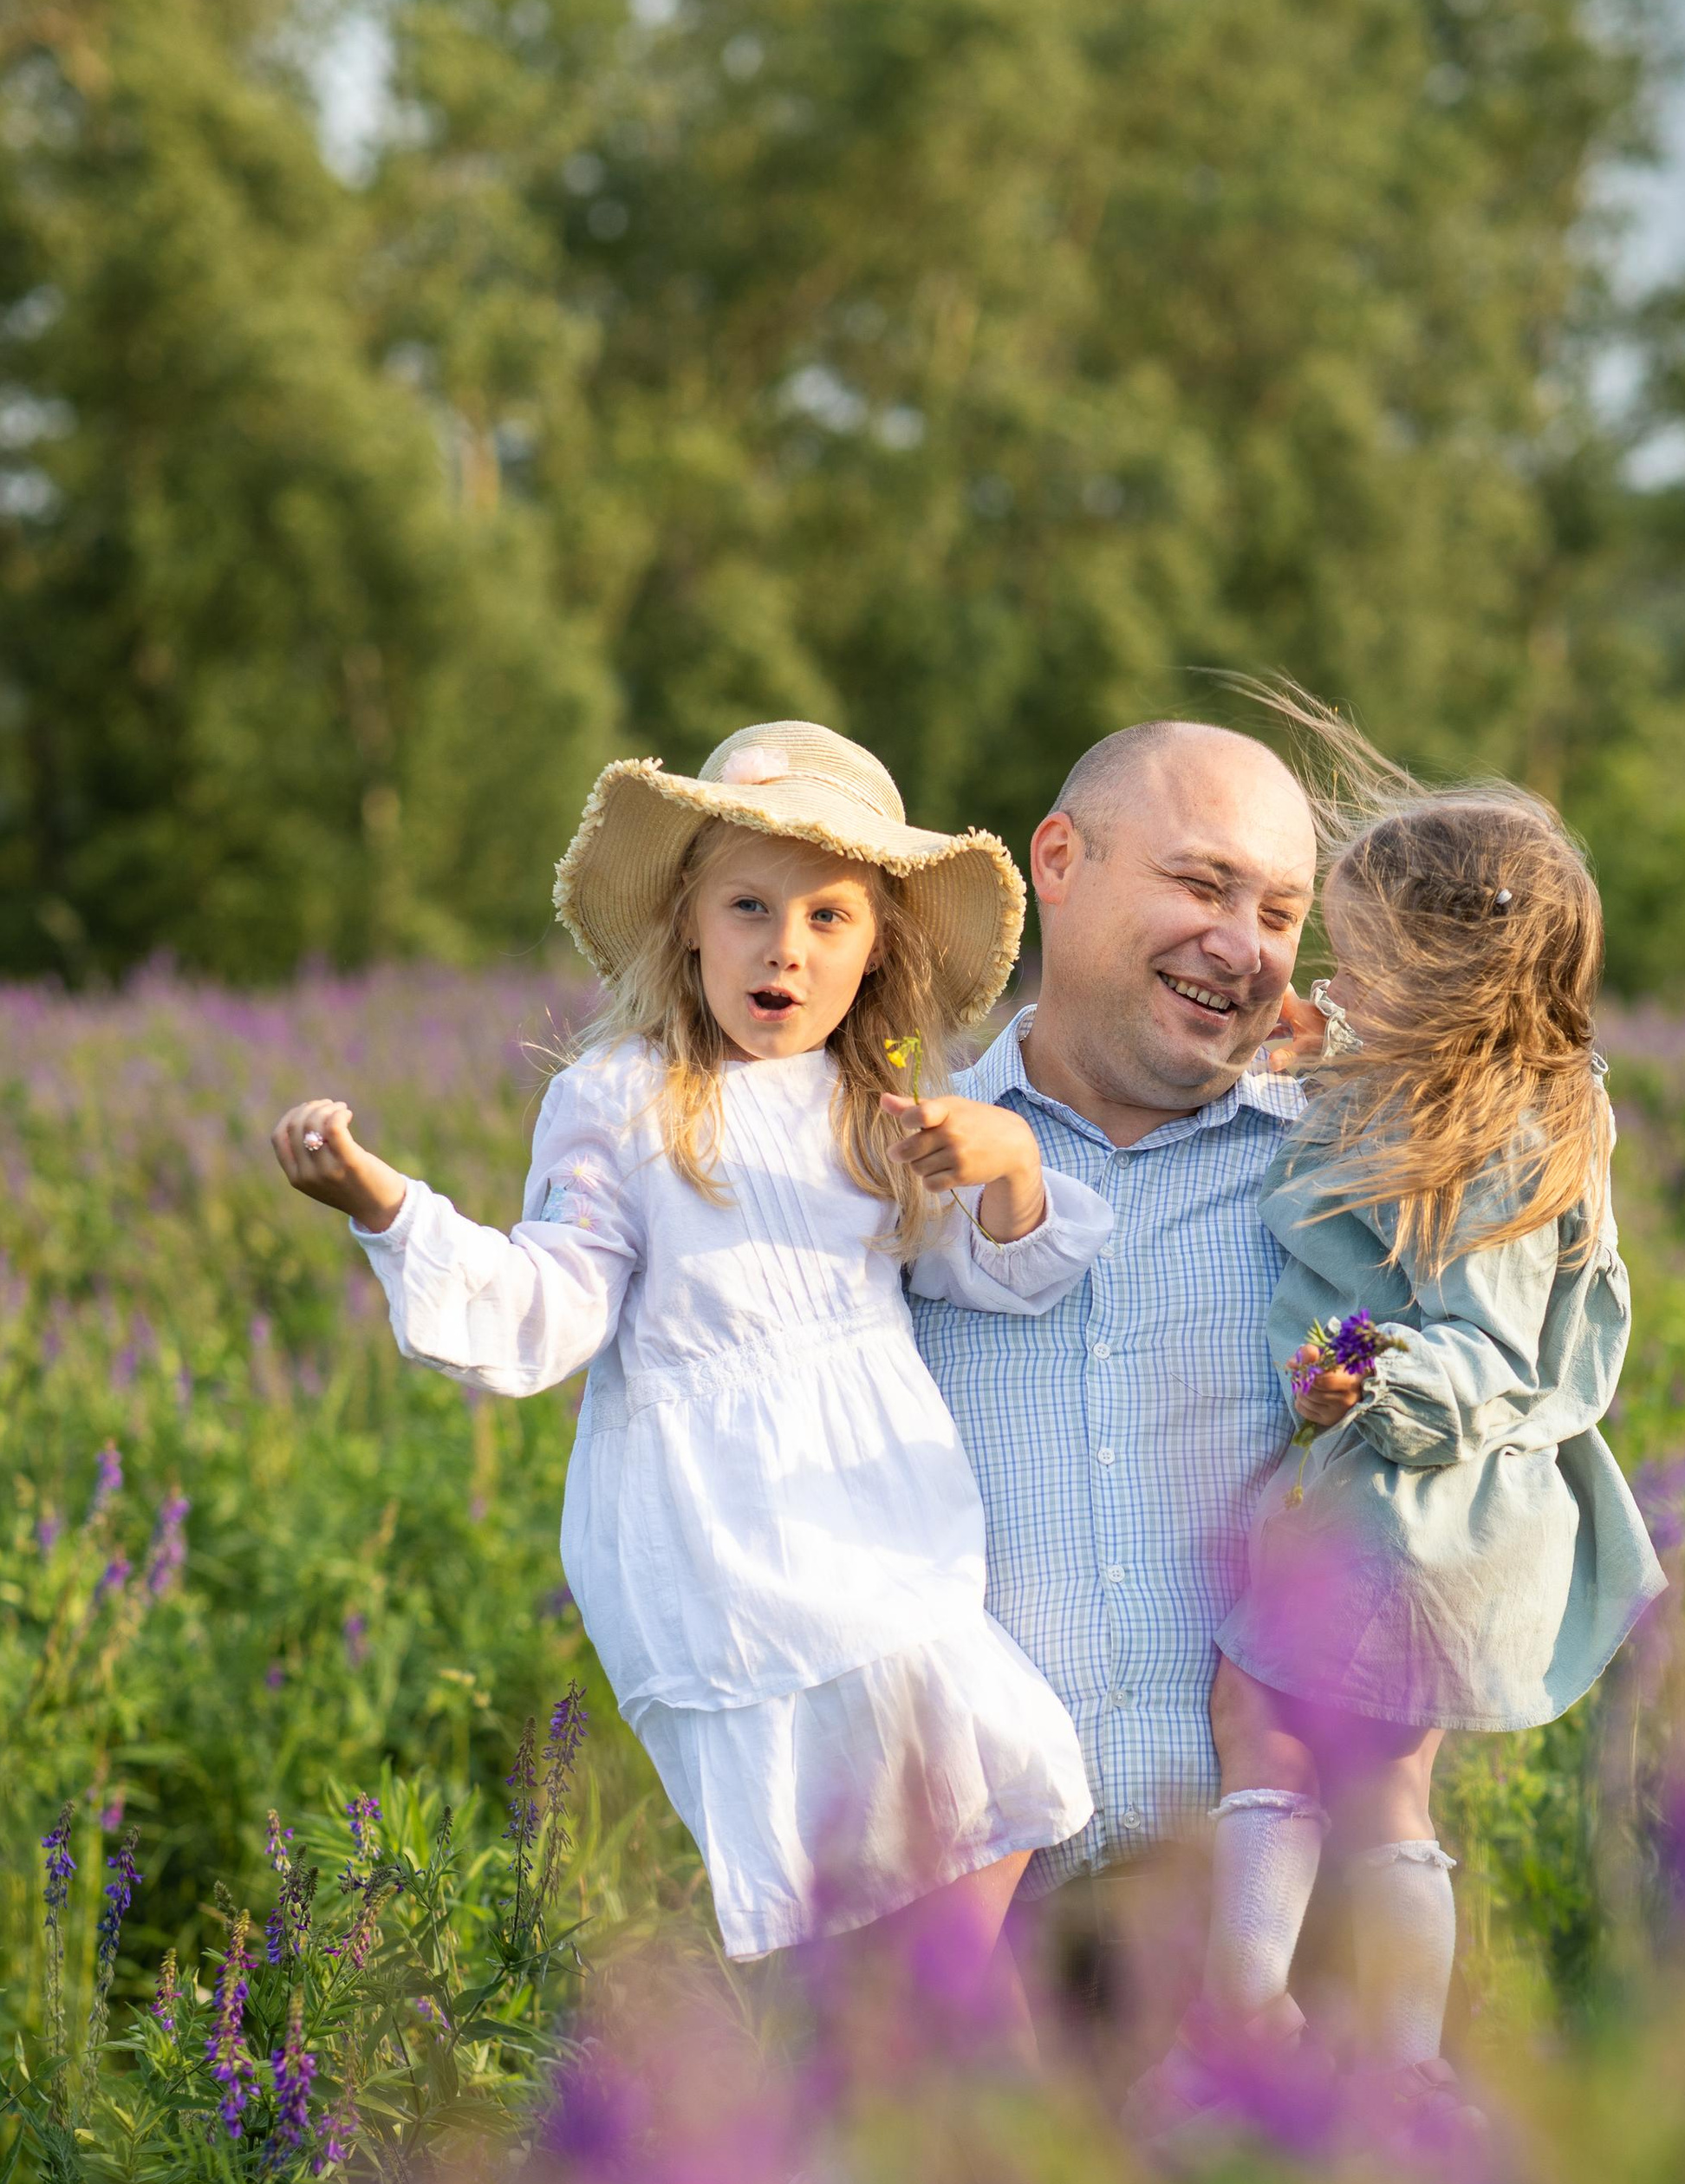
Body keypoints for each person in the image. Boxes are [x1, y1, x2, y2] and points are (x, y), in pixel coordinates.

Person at [269, 721, 1107, 2013]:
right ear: (689, 925)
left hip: (886, 1533)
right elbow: (549, 1303)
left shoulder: (874, 1105)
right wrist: (391, 1210)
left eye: (831, 917)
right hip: (726, 1542)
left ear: (875, 945)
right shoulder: (628, 1100)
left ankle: (865, 2149)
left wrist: (1013, 1169)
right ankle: (864, 2148)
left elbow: (1000, 1277)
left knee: (995, 1798)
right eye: (751, 907)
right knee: (859, 1881)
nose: (787, 946)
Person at [1190, 735, 1667, 2088]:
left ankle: (1247, 2011)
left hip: (1416, 1495)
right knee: (1386, 1782)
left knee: (1263, 1718)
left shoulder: (1501, 1133)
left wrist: (1371, 1379)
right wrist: (1327, 1038)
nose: (1337, 983)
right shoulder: (1478, 1086)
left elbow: (1487, 1345)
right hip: (1434, 1506)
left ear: (1447, 978)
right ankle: (1395, 2065)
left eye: (1363, 964)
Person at [908, 718, 1320, 1912]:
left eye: (1282, 916)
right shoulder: (889, 1174)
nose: (1240, 946)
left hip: (1267, 1949)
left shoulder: (1335, 1187)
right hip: (963, 1950)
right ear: (1059, 862)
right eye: (1202, 883)